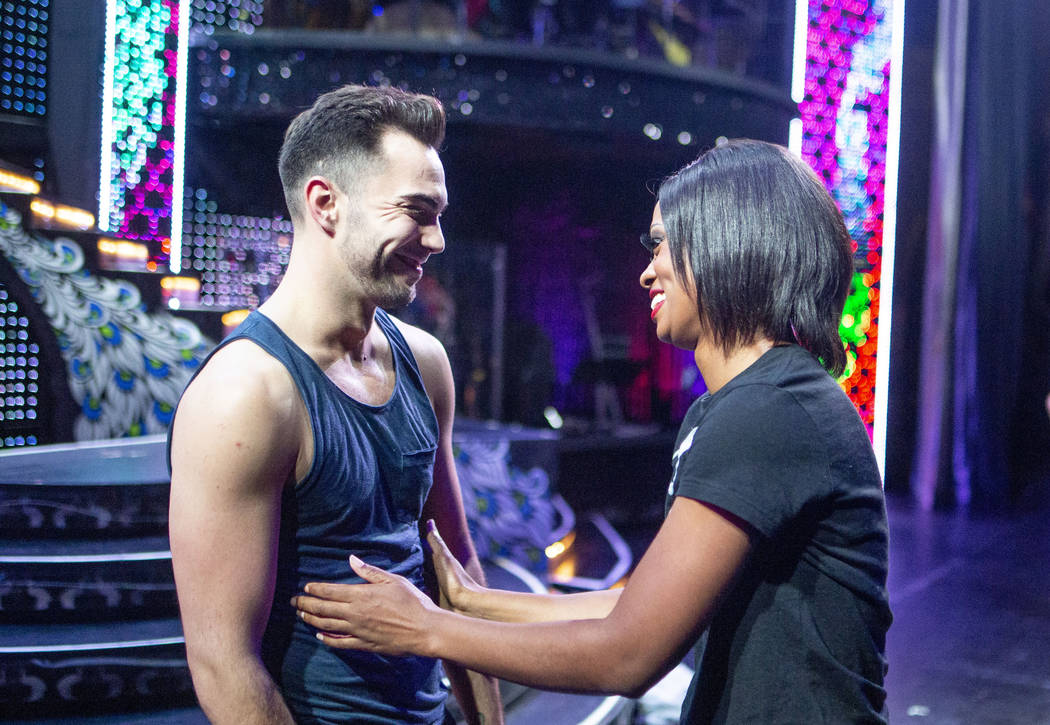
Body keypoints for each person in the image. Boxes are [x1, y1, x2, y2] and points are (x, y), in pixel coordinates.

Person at [292, 139, 893, 723]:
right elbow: (641, 607)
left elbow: (628, 654)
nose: (646, 274)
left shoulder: (768, 410)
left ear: (723, 247)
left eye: (659, 246)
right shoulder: (745, 405)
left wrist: (424, 630)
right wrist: (473, 601)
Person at [168, 84, 502, 724]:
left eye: (440, 215)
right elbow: (223, 661)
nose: (435, 239)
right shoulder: (247, 394)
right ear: (326, 205)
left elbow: (459, 581)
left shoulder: (425, 362)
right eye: (415, 210)